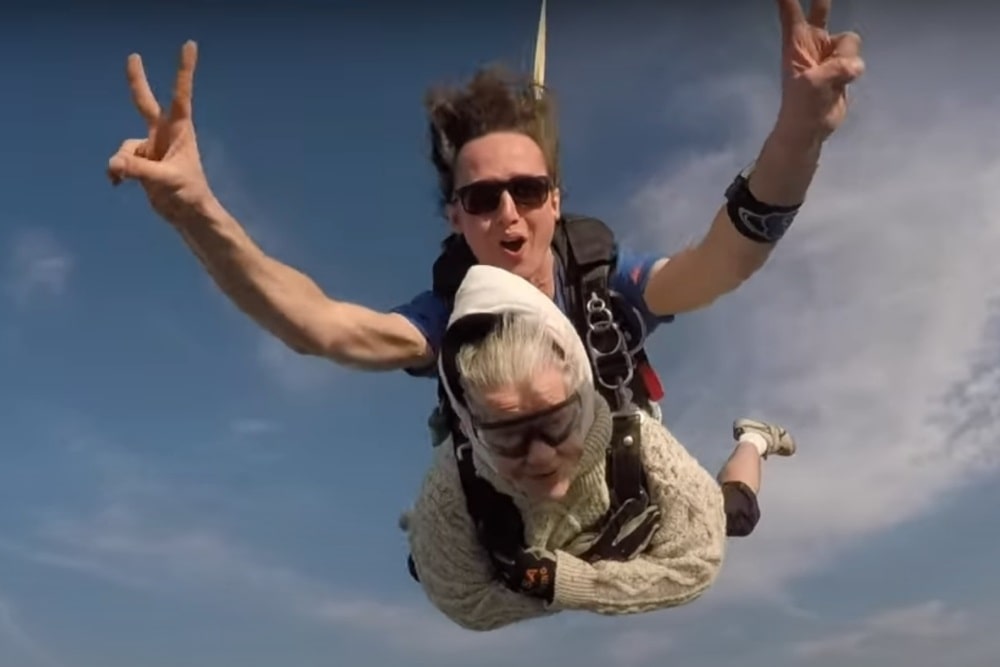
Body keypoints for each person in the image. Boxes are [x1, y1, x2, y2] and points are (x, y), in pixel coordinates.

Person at [105, 0, 864, 407]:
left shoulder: (604, 288)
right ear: (456, 218)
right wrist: (196, 211)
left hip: (610, 477)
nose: (508, 212)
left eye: (527, 190)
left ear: (555, 201)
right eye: (481, 196)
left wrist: (798, 136)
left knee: (716, 515)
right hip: (505, 517)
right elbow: (320, 325)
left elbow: (723, 263)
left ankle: (753, 443)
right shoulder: (447, 317)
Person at [402, 264, 796, 631]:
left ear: (583, 399)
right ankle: (418, 526)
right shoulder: (451, 487)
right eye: (507, 434)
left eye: (556, 422)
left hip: (627, 513)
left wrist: (562, 582)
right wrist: (563, 582)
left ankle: (754, 439)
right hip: (517, 535)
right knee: (429, 559)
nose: (540, 455)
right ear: (470, 429)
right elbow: (464, 601)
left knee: (733, 514)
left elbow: (696, 564)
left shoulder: (638, 441)